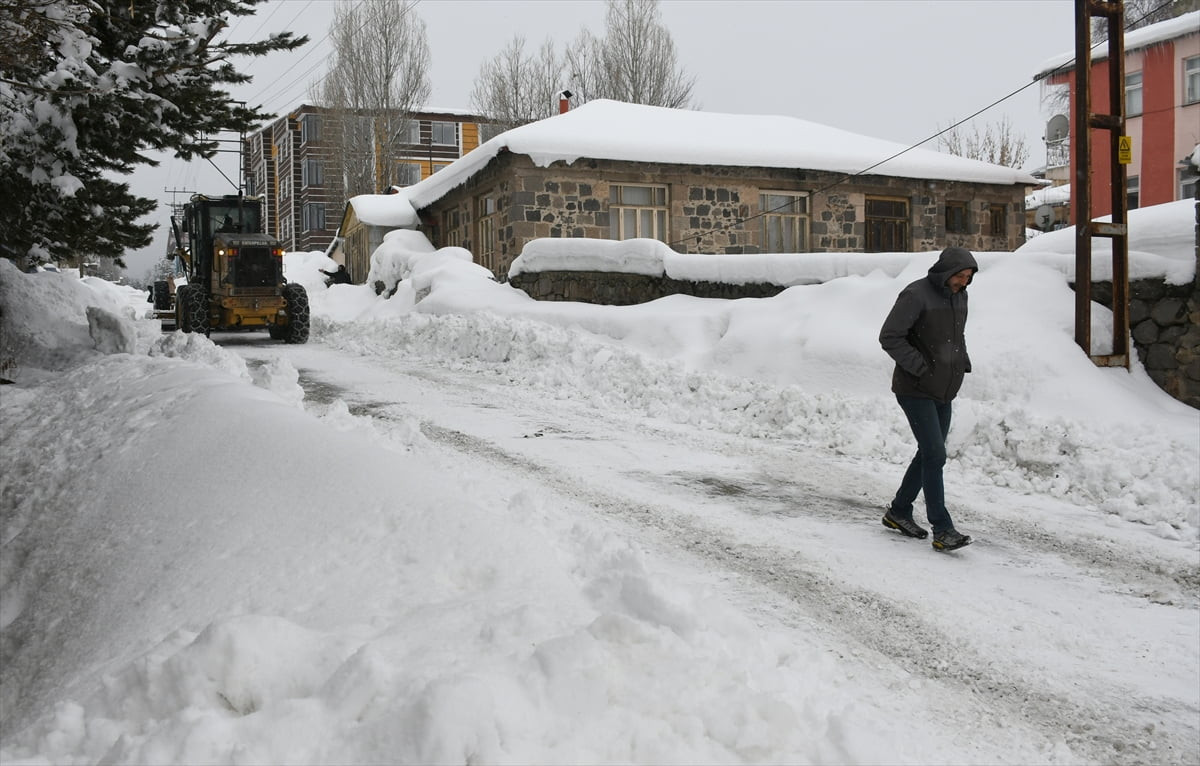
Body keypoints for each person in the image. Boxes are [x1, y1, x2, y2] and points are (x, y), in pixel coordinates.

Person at [878, 246, 978, 552]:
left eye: (968, 277)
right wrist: (919, 367)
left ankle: (899, 511)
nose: (963, 281)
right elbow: (890, 336)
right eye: (959, 276)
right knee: (935, 454)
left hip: (944, 388)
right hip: (915, 388)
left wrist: (961, 360)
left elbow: (954, 335)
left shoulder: (960, 295)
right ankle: (943, 528)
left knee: (928, 453)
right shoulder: (916, 294)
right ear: (946, 271)